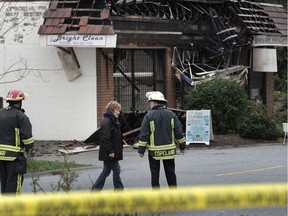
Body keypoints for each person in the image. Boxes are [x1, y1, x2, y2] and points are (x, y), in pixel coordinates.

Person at [138, 91, 186, 188]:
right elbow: (179, 132)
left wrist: (141, 150)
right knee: (170, 173)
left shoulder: (149, 116)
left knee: (155, 174)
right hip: (169, 150)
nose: (149, 104)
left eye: (150, 102)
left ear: (155, 102)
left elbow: (144, 135)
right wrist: (182, 146)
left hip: (154, 151)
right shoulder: (171, 115)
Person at [0, 88, 34, 195]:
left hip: (0, 157)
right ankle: (12, 209)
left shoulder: (0, 113)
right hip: (14, 158)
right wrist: (30, 148)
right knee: (14, 186)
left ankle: (4, 208)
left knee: (4, 184)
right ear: (19, 102)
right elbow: (27, 138)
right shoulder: (21, 117)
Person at [91, 101, 124, 191]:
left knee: (106, 171)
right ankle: (119, 189)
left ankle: (96, 189)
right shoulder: (108, 122)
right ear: (112, 110)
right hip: (110, 152)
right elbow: (106, 138)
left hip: (110, 151)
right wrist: (110, 151)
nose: (119, 112)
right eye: (117, 110)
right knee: (116, 170)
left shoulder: (112, 121)